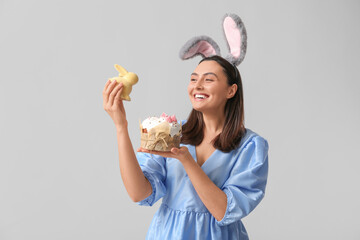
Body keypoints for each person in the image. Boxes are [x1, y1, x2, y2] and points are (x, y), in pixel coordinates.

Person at [103, 55, 269, 239]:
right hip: (168, 234)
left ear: (231, 91)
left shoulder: (250, 146)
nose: (197, 86)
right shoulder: (171, 133)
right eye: (193, 79)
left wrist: (186, 160)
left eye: (208, 79)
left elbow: (223, 211)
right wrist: (121, 127)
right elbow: (138, 194)